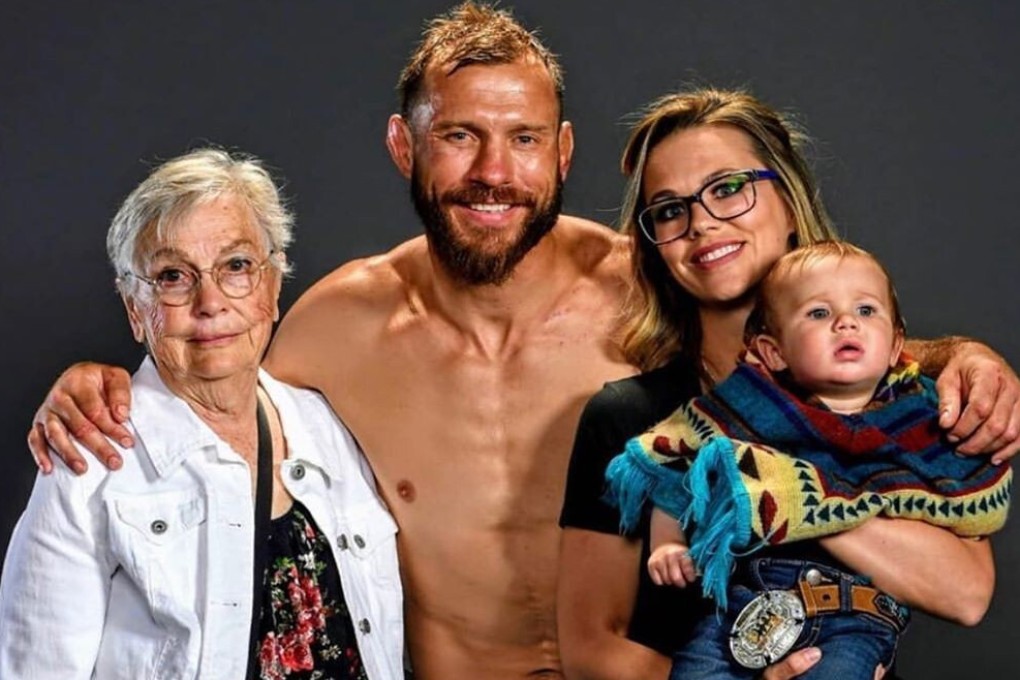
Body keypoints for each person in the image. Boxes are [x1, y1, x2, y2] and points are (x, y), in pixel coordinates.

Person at [22, 7, 1020, 680]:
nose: (493, 172)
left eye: (525, 139)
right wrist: (101, 379)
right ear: (404, 146)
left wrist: (952, 355)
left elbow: (802, 341)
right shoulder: (334, 324)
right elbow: (206, 358)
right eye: (458, 136)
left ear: (564, 153)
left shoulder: (647, 282)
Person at [557, 87, 1015, 680]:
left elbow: (965, 593)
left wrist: (775, 490)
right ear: (655, 248)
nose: (701, 222)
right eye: (670, 210)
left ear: (790, 201)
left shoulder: (898, 402)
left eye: (728, 188)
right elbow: (592, 647)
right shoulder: (632, 421)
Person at [0, 149, 404, 679]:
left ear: (274, 286)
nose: (210, 301)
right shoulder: (90, 458)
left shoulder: (331, 428)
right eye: (173, 276)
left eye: (236, 266)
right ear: (134, 310)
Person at [603, 241, 1011, 679]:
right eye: (819, 314)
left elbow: (967, 560)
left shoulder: (921, 422)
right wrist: (668, 543)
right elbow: (678, 473)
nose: (846, 322)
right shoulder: (752, 407)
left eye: (867, 311)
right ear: (774, 352)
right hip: (746, 607)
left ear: (896, 348)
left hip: (855, 617)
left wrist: (798, 494)